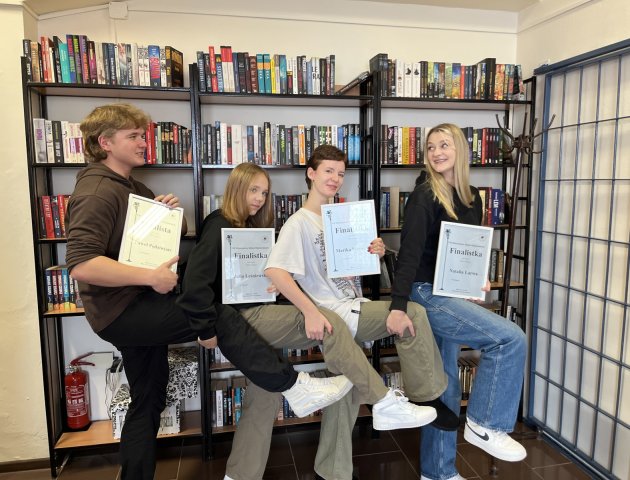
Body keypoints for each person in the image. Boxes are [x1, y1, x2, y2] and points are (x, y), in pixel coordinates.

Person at [65, 104, 351, 480]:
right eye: (132, 136)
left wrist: (167, 216)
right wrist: (150, 278)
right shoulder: (97, 191)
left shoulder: (133, 188)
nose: (143, 142)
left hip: (139, 304)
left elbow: (149, 241)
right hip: (124, 311)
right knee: (218, 315)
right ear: (105, 143)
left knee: (148, 399)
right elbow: (82, 264)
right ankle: (294, 386)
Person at [177, 162, 441, 480]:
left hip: (257, 314)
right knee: (329, 323)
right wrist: (205, 328)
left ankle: (240, 475)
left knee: (264, 394)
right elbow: (197, 282)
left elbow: (259, 276)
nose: (259, 198)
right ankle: (382, 400)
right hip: (242, 320)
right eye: (253, 190)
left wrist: (275, 286)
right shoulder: (220, 222)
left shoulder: (250, 226)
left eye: (264, 192)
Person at [265, 144, 460, 480]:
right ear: (311, 173)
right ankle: (427, 396)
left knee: (347, 390)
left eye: (340, 173)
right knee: (412, 314)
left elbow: (351, 268)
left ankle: (332, 471)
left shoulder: (340, 217)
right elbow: (275, 271)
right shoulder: (298, 223)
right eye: (328, 171)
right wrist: (310, 311)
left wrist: (376, 252)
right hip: (335, 313)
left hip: (353, 305)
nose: (335, 178)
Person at [386, 123, 528, 480]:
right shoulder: (424, 195)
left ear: (460, 149)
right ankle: (484, 424)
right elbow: (409, 254)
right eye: (431, 147)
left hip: (448, 292)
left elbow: (467, 249)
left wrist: (476, 277)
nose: (436, 152)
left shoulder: (472, 198)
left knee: (445, 384)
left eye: (444, 145)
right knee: (510, 338)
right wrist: (397, 306)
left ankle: (438, 472)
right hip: (424, 293)